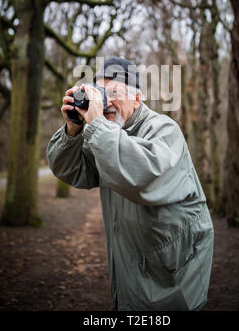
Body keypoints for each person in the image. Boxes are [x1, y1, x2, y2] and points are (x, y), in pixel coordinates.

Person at [46, 56, 214, 311]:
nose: (107, 102)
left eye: (116, 93)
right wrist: (73, 128)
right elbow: (70, 169)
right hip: (130, 268)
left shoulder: (164, 130)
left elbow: (140, 176)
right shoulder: (104, 132)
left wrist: (97, 125)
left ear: (137, 98)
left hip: (173, 278)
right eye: (102, 93)